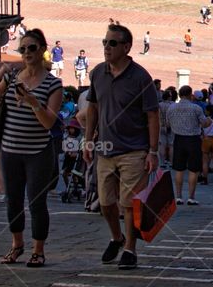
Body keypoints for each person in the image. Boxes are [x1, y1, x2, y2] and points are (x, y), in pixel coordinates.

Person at [0, 28, 63, 268]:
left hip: (38, 152)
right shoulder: (12, 78)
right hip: (10, 150)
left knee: (37, 203)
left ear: (42, 50)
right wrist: (0, 75)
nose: (27, 52)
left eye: (32, 48)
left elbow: (49, 122)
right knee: (13, 201)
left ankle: (38, 250)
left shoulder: (54, 84)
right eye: (23, 48)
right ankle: (16, 245)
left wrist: (32, 102)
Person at [83, 24, 159, 270]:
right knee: (105, 202)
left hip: (134, 150)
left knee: (128, 203)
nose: (106, 47)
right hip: (105, 148)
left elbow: (152, 116)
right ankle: (117, 238)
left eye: (112, 43)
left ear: (126, 47)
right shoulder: (97, 73)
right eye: (105, 42)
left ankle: (130, 250)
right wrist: (87, 138)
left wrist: (153, 151)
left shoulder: (140, 77)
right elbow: (92, 107)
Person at [167, 85, 207, 205]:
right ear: (190, 94)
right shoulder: (195, 108)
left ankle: (178, 196)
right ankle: (191, 196)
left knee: (179, 169)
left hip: (178, 139)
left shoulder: (172, 108)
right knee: (193, 170)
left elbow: (168, 124)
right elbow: (204, 123)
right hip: (193, 139)